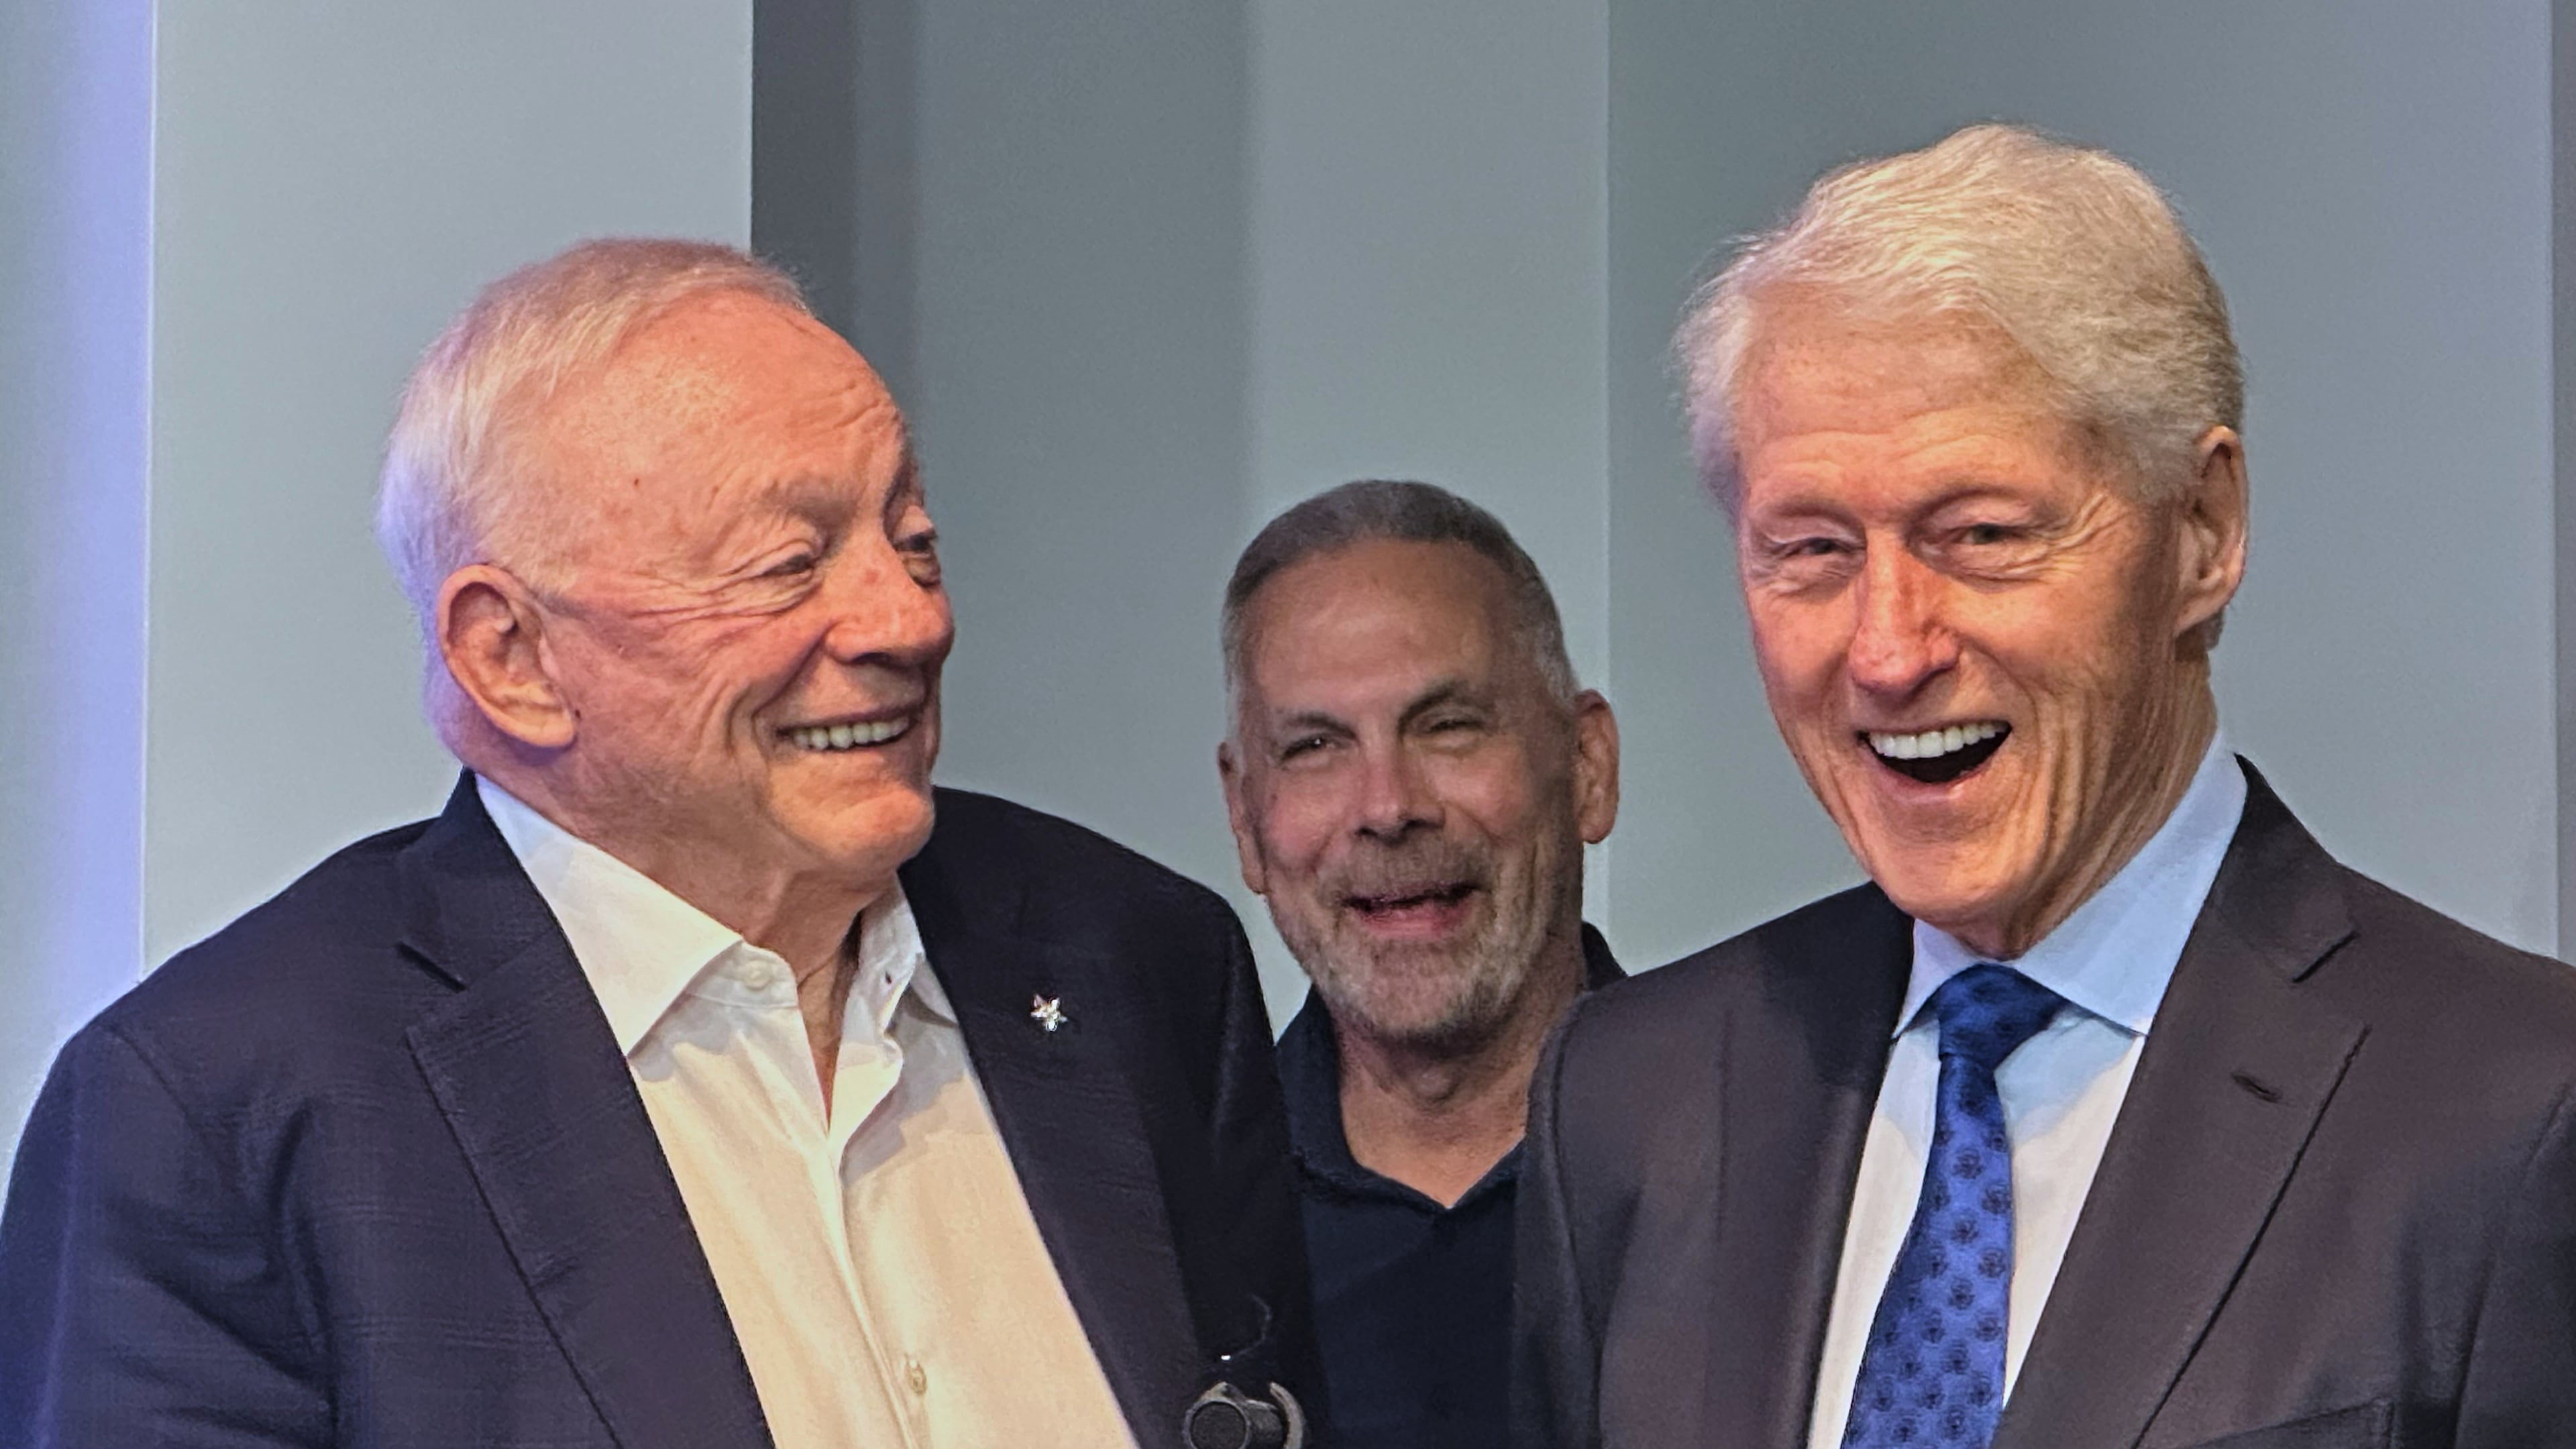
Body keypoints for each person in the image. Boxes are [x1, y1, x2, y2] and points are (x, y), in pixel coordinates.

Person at [0, 239, 1318, 1448]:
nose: (906, 620)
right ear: (509, 657)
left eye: (911, 539)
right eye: (786, 565)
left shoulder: (1133, 961)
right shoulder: (218, 1113)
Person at [1515, 124, 2576, 1449]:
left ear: (2202, 531)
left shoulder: (2518, 1110)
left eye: (1984, 536)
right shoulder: (1632, 1096)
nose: (1889, 649)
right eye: (1810, 548)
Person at [1218, 480, 1621, 1449]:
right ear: (1245, 819)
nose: (1389, 806)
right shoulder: (1177, 1233)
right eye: (1316, 746)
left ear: (1588, 767)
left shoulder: (1778, 1169)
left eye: (1449, 726)